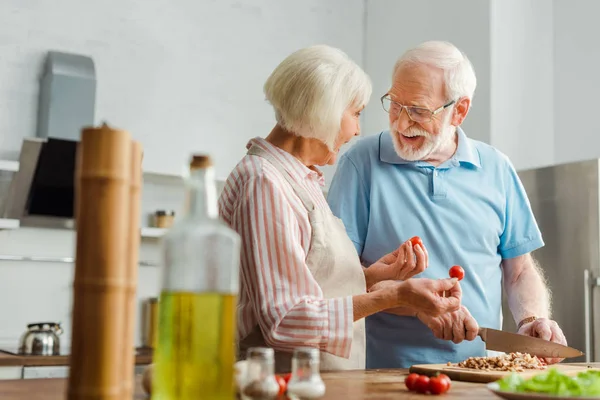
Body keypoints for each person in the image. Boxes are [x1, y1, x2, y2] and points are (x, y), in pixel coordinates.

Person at [218, 44, 463, 372]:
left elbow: (307, 285)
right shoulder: (264, 182)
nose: (357, 130)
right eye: (356, 113)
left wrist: (372, 276)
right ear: (325, 110)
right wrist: (395, 296)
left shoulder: (297, 180)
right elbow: (284, 320)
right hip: (283, 386)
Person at [327, 40, 568, 369]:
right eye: (395, 104)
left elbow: (519, 270)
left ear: (460, 110)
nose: (400, 122)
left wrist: (531, 319)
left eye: (419, 111)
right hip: (383, 372)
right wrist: (412, 301)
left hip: (481, 372)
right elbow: (339, 281)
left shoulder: (496, 167)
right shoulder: (361, 162)